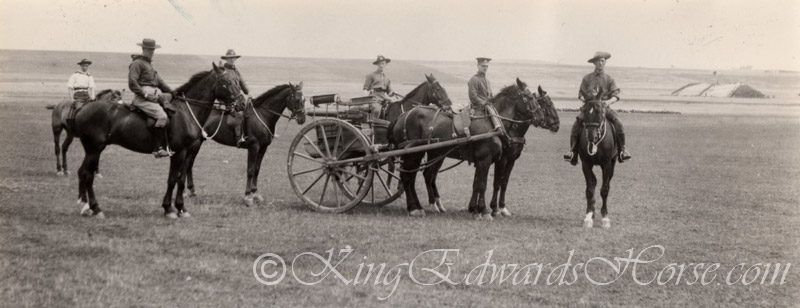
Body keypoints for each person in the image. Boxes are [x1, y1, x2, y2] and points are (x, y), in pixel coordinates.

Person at [563, 51, 631, 165]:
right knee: (576, 124)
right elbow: (580, 94)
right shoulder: (587, 78)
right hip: (589, 109)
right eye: (598, 61)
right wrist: (587, 101)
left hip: (604, 108)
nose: (600, 63)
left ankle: (622, 151)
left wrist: (607, 102)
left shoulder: (609, 79)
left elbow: (616, 96)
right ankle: (572, 152)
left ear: (605, 63)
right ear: (594, 63)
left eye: (603, 61)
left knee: (618, 123)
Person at [128, 38, 173, 158]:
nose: (152, 52)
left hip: (155, 96)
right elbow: (132, 82)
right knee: (162, 116)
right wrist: (144, 94)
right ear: (143, 49)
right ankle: (157, 149)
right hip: (142, 98)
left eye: (153, 49)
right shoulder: (137, 63)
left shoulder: (149, 65)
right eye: (149, 49)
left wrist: (173, 92)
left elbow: (160, 82)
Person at [220, 49, 251, 147]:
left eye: (233, 58)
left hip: (238, 100)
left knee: (251, 112)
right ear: (226, 59)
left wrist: (248, 91)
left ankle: (250, 135)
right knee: (239, 115)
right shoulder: (224, 71)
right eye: (230, 58)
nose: (232, 60)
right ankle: (238, 139)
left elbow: (244, 86)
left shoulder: (236, 71)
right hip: (228, 101)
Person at [467, 57, 502, 131]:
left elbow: (491, 96)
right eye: (483, 66)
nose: (485, 68)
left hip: (488, 109)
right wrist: (485, 104)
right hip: (478, 109)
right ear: (478, 66)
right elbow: (473, 97)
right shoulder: (474, 80)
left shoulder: (487, 81)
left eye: (486, 66)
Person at [66, 59, 96, 128]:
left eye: (87, 66)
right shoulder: (74, 75)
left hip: (86, 95)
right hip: (78, 95)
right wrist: (71, 99)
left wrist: (92, 96)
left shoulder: (89, 76)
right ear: (80, 66)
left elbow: (92, 87)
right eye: (84, 66)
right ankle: (74, 125)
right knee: (78, 110)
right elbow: (70, 87)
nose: (85, 67)